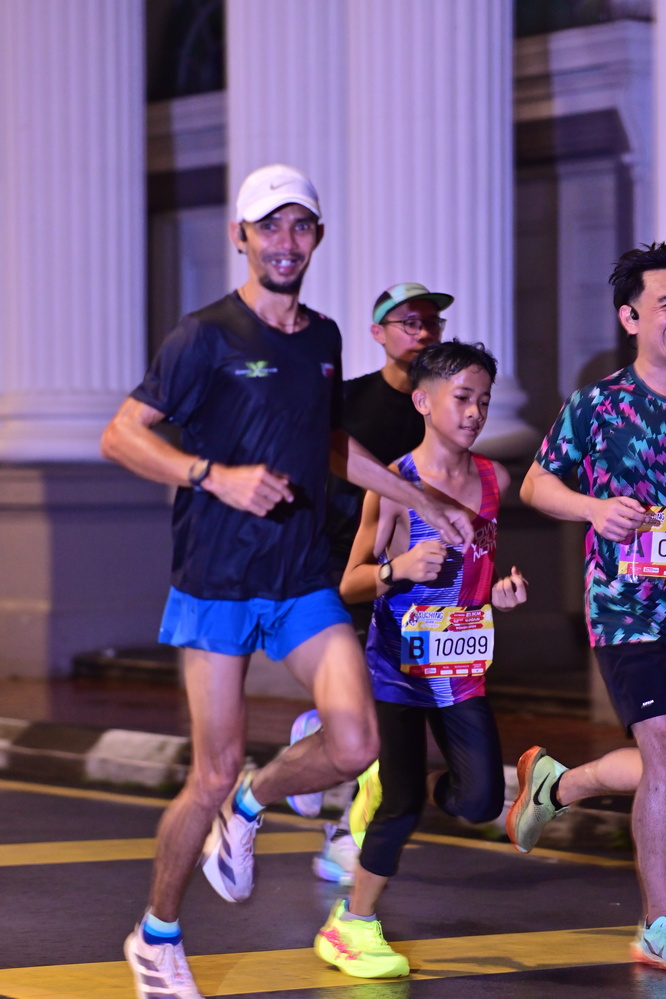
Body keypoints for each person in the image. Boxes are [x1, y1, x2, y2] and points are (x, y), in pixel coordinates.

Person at [101, 163, 473, 999]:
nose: (285, 241)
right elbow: (121, 435)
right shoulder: (203, 336)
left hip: (301, 576)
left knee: (355, 743)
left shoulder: (323, 339)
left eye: (300, 225)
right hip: (218, 580)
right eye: (269, 225)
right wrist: (214, 475)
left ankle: (252, 802)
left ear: (318, 237)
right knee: (208, 769)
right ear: (241, 236)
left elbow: (332, 444)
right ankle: (156, 935)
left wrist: (424, 498)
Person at [313, 340, 528, 979]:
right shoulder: (395, 484)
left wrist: (498, 593)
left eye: (483, 400)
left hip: (460, 670)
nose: (475, 412)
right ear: (423, 402)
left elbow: (475, 571)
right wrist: (398, 568)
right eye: (462, 398)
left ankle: (384, 782)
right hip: (396, 669)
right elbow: (350, 583)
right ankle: (352, 925)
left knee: (482, 800)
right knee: (401, 805)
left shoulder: (495, 480)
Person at [507, 242, 666, 971]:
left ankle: (559, 784)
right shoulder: (598, 405)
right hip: (630, 610)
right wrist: (596, 509)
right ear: (630, 317)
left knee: (661, 764)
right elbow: (535, 485)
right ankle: (658, 926)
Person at [287, 282, 454, 886]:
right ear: (378, 333)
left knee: (389, 712)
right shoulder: (349, 400)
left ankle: (324, 755)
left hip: (419, 576)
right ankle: (340, 820)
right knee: (376, 710)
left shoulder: (443, 408)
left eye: (431, 322)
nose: (423, 332)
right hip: (343, 565)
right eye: (409, 322)